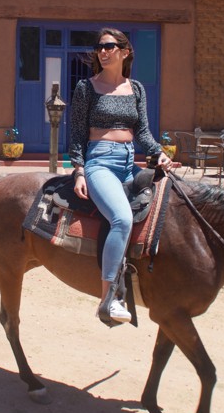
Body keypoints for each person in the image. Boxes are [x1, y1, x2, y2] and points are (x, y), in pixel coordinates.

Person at [69, 28, 172, 324]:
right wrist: (78, 170)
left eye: (110, 46)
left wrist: (160, 153)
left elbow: (142, 132)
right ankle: (109, 298)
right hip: (100, 162)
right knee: (122, 219)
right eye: (100, 47)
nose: (103, 51)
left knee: (169, 200)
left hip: (130, 162)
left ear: (125, 52)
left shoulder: (136, 89)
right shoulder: (86, 88)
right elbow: (76, 134)